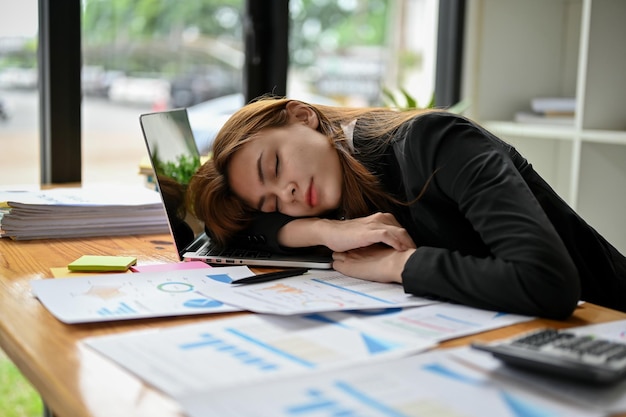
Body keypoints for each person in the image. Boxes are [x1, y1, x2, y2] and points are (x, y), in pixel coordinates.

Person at [187, 97, 626, 319]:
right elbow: (227, 234)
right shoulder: (341, 190)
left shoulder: (433, 141)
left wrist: (400, 265)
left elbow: (549, 284)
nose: (290, 196)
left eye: (276, 166)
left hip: (606, 324)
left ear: (303, 117)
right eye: (273, 202)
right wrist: (321, 231)